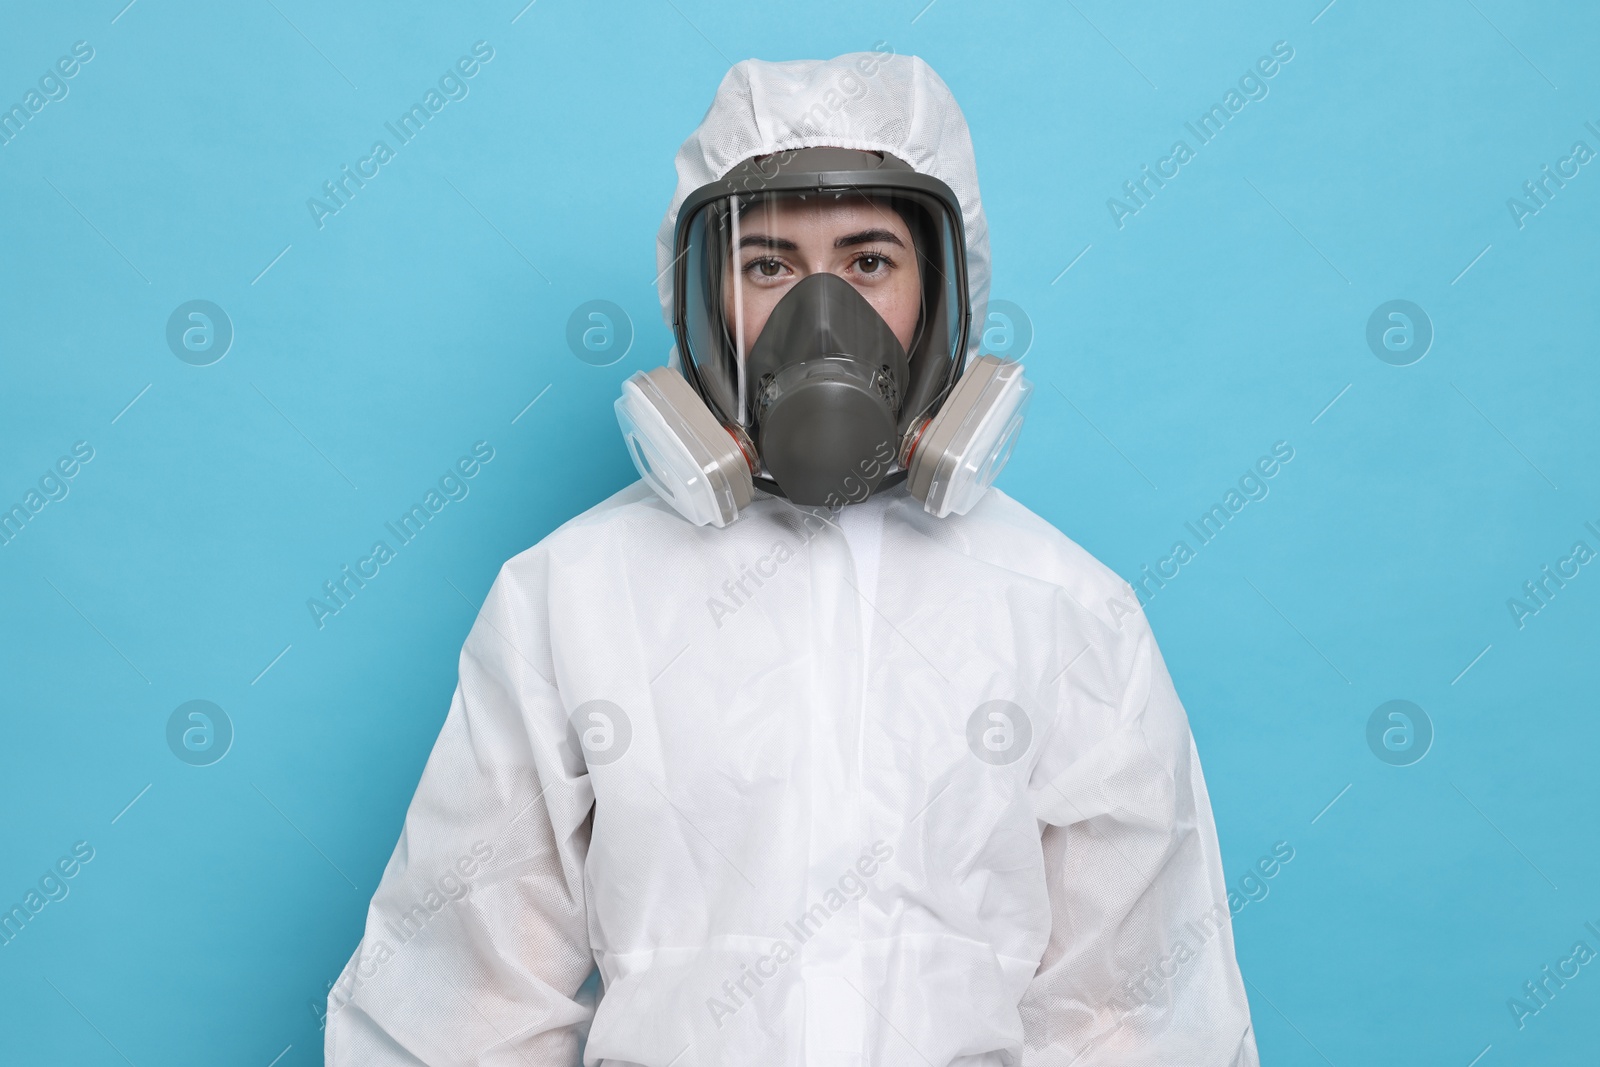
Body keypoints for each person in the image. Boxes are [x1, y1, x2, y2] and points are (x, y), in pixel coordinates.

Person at [325, 52, 1259, 1066]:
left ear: (940, 292)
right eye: (767, 264)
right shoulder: (570, 594)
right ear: (704, 298)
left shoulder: (1069, 612)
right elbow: (454, 1002)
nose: (822, 318)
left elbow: (1139, 1016)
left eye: (867, 264)